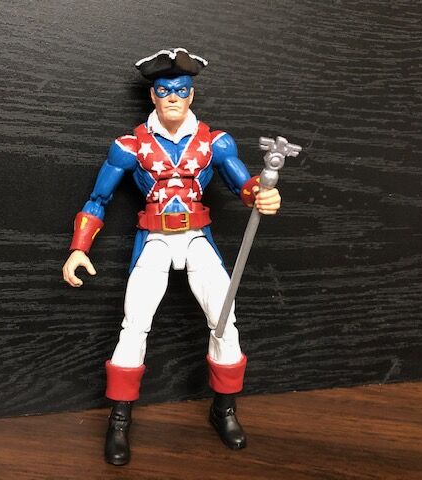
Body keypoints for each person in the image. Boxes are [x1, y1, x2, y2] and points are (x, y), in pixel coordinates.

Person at [62, 48, 281, 466]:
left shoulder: (214, 142)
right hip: (155, 239)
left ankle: (224, 409)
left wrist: (263, 195)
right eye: (164, 91)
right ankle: (119, 419)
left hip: (197, 238)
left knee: (224, 320)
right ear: (153, 96)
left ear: (192, 95)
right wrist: (78, 249)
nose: (173, 98)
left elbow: (244, 187)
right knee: (134, 325)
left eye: (181, 90)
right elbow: (97, 199)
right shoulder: (130, 147)